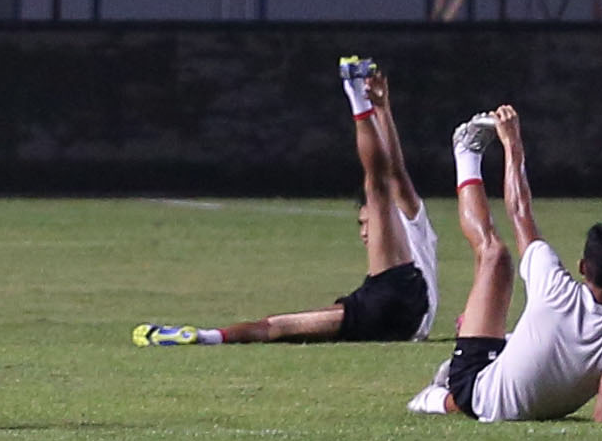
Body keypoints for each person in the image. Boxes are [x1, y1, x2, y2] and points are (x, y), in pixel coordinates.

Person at [133, 58, 433, 348]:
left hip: (393, 301)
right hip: (391, 315)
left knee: (377, 183)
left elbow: (392, 174)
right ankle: (202, 336)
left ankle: (355, 95)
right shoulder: (391, 279)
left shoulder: (409, 216)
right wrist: (382, 107)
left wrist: (378, 108)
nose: (365, 232)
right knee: (280, 327)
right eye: (362, 225)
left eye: (367, 222)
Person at [419, 105, 602, 423]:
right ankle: (466, 148)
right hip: (486, 385)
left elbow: (519, 210)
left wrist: (512, 144)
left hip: (475, 390)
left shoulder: (555, 284)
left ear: (583, 266)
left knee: (493, 254)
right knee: (498, 264)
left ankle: (467, 155)